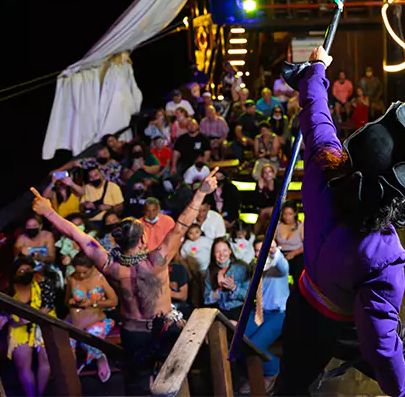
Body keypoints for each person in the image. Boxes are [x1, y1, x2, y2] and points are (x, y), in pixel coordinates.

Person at [275, 46, 405, 397]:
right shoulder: (384, 255)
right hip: (348, 326)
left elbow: (317, 116)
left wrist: (316, 70)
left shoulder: (326, 166)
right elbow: (380, 346)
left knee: (290, 391)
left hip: (305, 305)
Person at [30, 169, 220, 395]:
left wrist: (49, 213)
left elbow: (78, 236)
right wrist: (201, 193)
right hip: (163, 328)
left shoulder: (109, 265)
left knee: (138, 386)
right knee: (180, 377)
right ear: (143, 238)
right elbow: (181, 225)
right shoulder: (156, 261)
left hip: (133, 332)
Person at [240, 237, 289, 393]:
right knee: (237, 342)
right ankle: (254, 375)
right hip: (259, 311)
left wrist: (274, 251)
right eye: (256, 250)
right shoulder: (257, 267)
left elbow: (282, 265)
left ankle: (272, 370)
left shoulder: (277, 266)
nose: (259, 253)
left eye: (263, 249)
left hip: (277, 314)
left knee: (255, 346)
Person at [7, 256, 56, 397]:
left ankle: (40, 394)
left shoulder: (43, 282)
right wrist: (15, 320)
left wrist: (28, 319)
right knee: (23, 364)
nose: (26, 273)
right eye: (22, 271)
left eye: (28, 270)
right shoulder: (9, 288)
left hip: (43, 321)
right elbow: (6, 312)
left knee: (46, 358)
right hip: (19, 325)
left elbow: (48, 305)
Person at [66, 253, 119, 382]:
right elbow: (66, 301)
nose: (81, 276)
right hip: (79, 315)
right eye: (78, 273)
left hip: (100, 316)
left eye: (84, 272)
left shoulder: (101, 278)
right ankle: (70, 371)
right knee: (67, 338)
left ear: (92, 268)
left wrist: (93, 303)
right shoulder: (71, 279)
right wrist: (72, 301)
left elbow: (114, 301)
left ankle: (99, 357)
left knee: (89, 335)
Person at [204, 237, 250, 319]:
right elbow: (206, 299)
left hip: (239, 310)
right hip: (219, 311)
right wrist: (219, 289)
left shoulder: (242, 268)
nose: (221, 255)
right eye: (218, 252)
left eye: (224, 250)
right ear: (213, 254)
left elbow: (249, 296)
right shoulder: (210, 270)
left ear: (230, 251)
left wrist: (233, 287)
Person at [277, 201, 305, 290]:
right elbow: (270, 241)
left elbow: (307, 244)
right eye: (285, 214)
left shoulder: (301, 225)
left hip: (297, 253)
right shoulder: (277, 225)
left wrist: (294, 253)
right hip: (281, 254)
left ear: (295, 214)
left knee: (298, 267)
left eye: (290, 214)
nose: (287, 217)